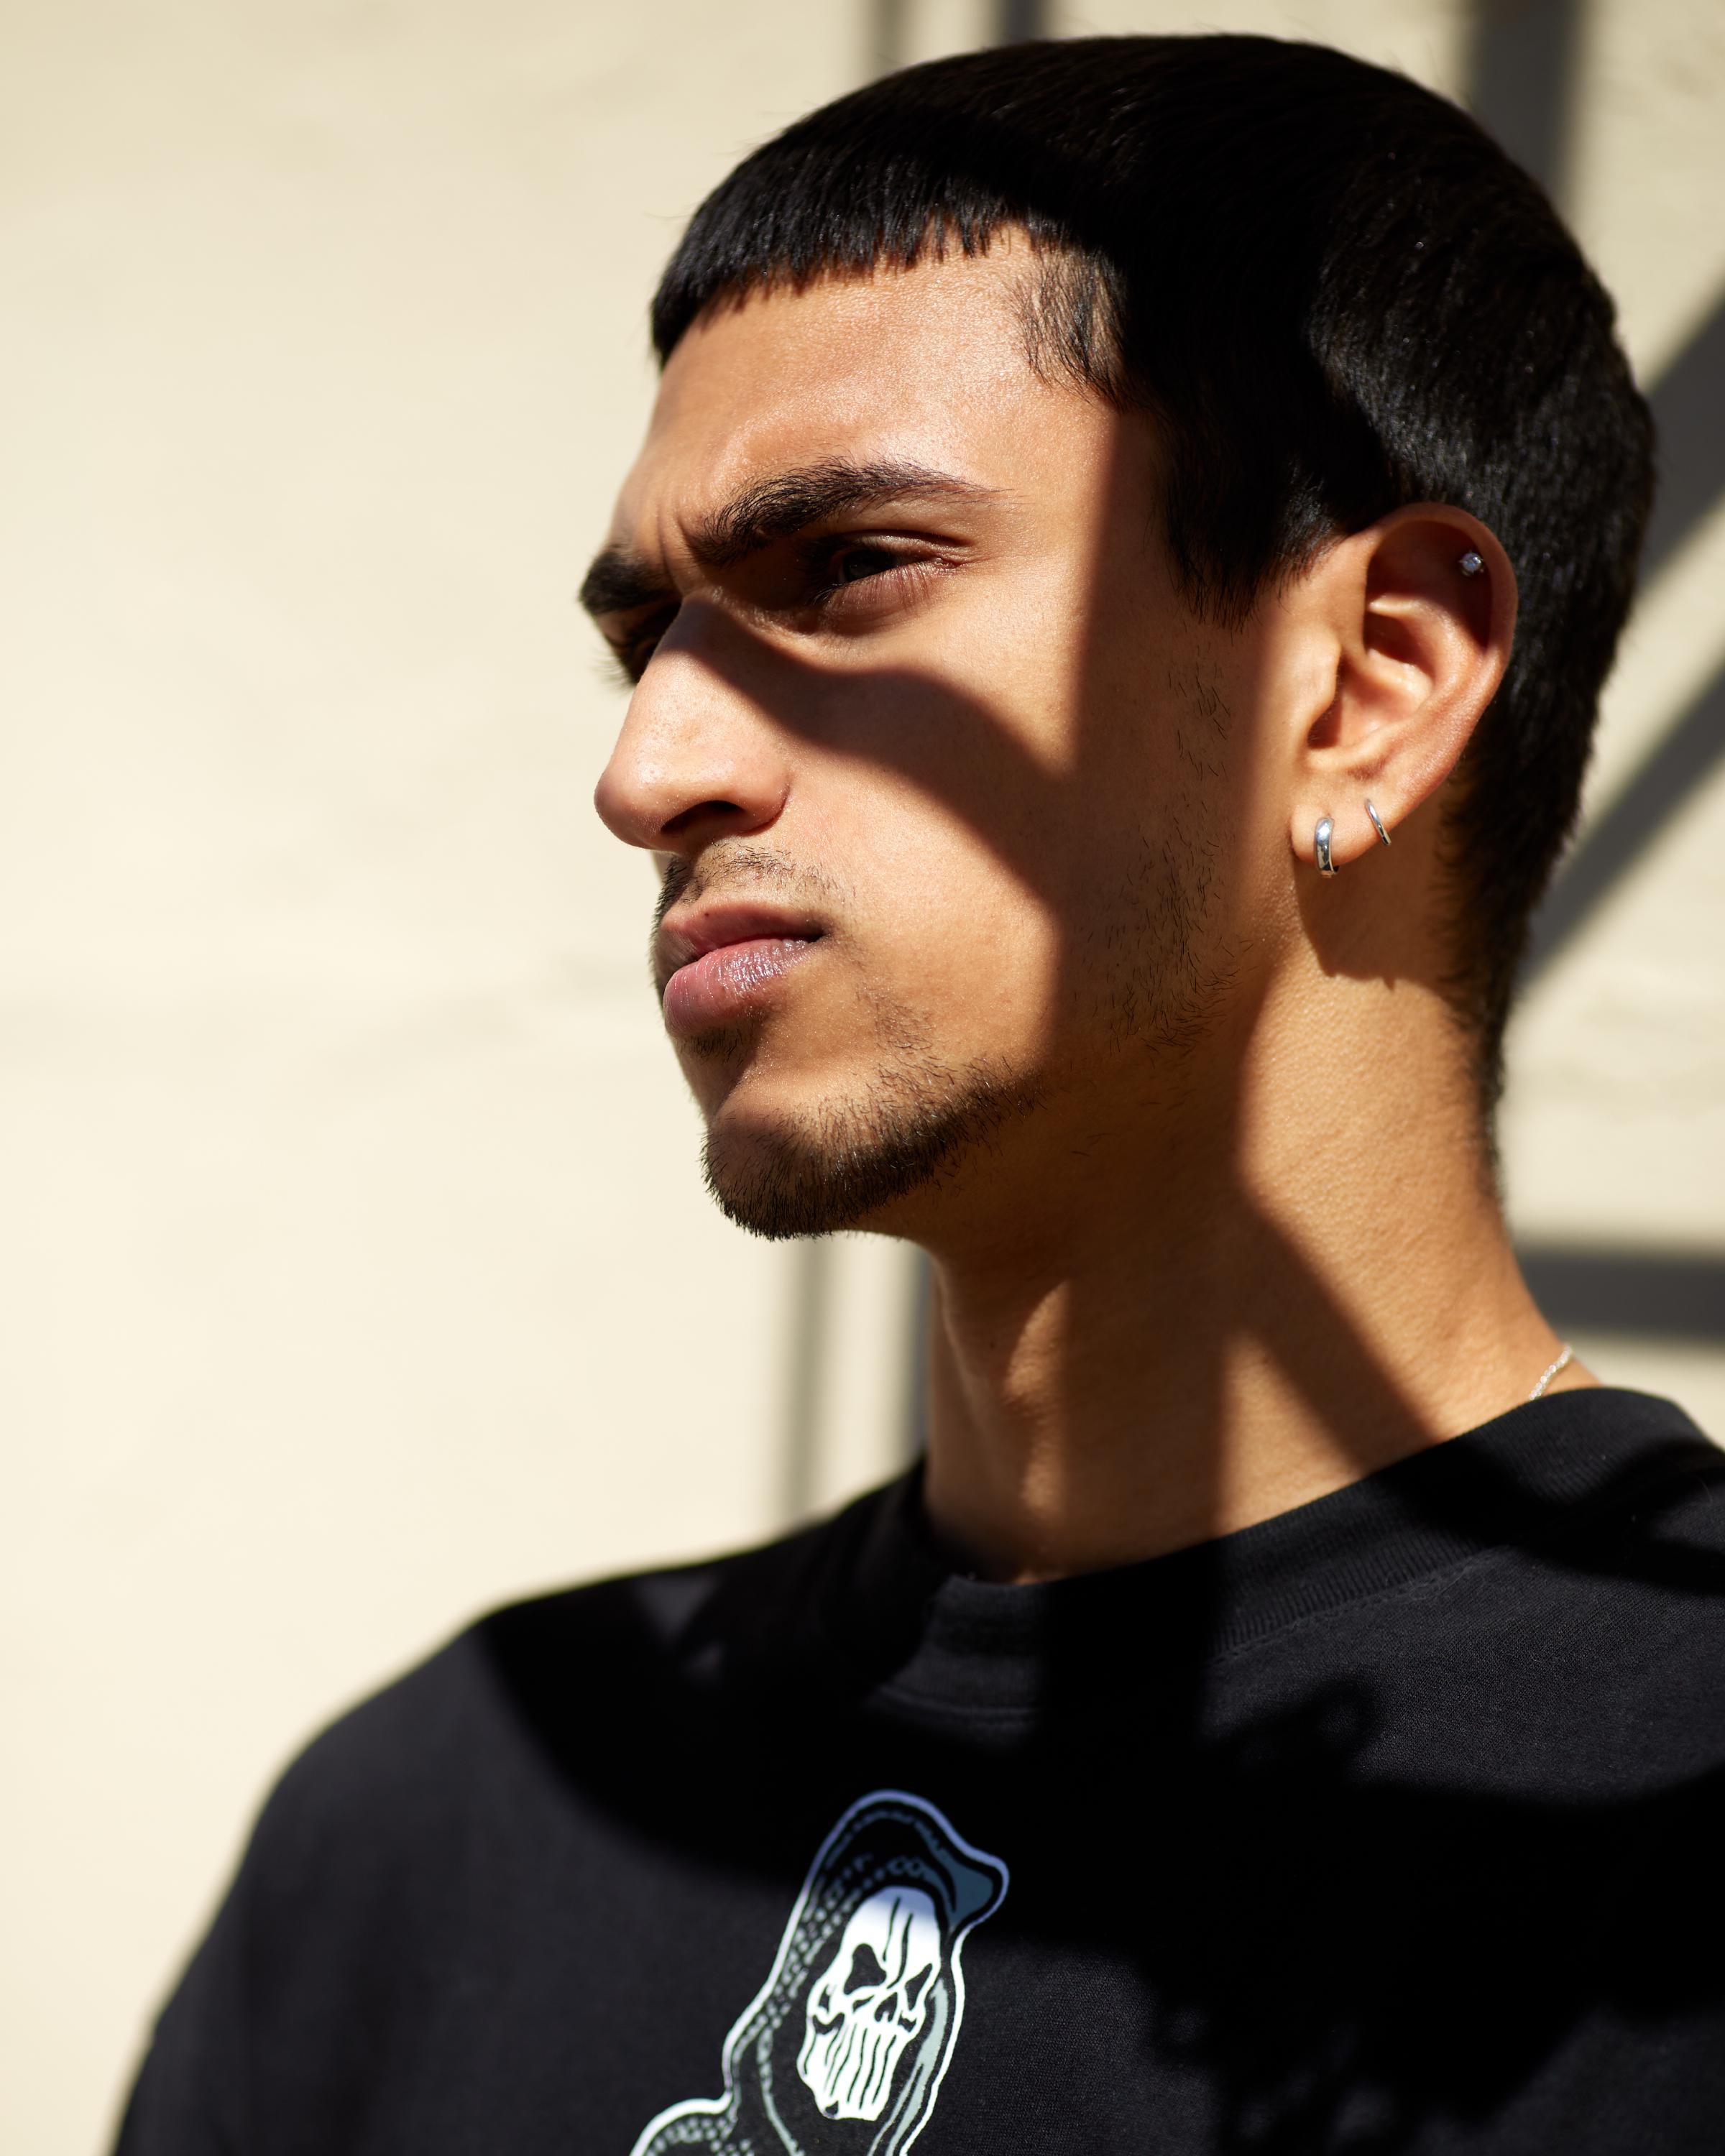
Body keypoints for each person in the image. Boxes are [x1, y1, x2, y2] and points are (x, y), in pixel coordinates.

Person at [116, 35, 1725, 2156]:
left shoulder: (1665, 1832)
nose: (647, 773)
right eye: (650, 639)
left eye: (850, 570)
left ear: (1369, 683)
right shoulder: (447, 1822)